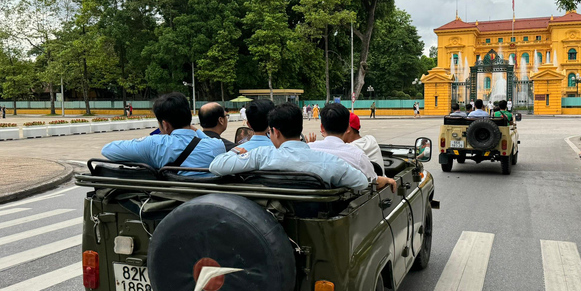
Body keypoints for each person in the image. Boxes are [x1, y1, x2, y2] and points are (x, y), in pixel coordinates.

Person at [209, 103, 369, 190]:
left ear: (275, 132)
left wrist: (236, 150)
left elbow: (216, 166)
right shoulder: (330, 162)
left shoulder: (261, 155)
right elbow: (361, 183)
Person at [102, 92, 226, 175]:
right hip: (208, 204)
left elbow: (108, 150)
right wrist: (195, 130)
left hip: (171, 204)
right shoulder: (217, 146)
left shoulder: (155, 144)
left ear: (165, 125)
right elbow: (209, 140)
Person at [307, 103, 396, 191]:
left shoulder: (307, 150)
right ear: (347, 128)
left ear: (322, 128)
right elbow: (374, 182)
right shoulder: (357, 156)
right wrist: (387, 180)